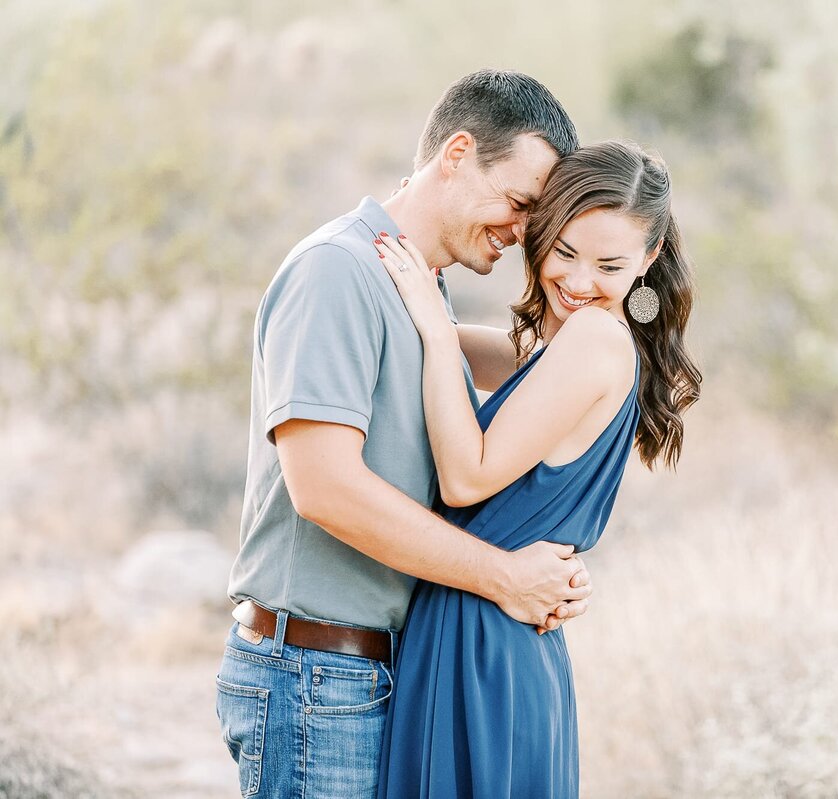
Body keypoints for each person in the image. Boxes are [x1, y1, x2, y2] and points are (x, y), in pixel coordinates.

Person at [215, 70, 591, 799]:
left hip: (375, 673)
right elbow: (325, 488)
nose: (520, 234)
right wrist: (505, 578)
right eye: (518, 204)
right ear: (456, 153)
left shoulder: (415, 286)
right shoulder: (339, 270)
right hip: (315, 675)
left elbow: (533, 368)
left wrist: (607, 316)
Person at [372, 140, 702, 798]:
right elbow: (486, 354)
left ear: (650, 257)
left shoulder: (596, 340)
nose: (579, 282)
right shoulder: (574, 344)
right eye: (564, 252)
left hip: (483, 642)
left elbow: (467, 477)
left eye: (609, 264)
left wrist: (436, 333)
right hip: (493, 630)